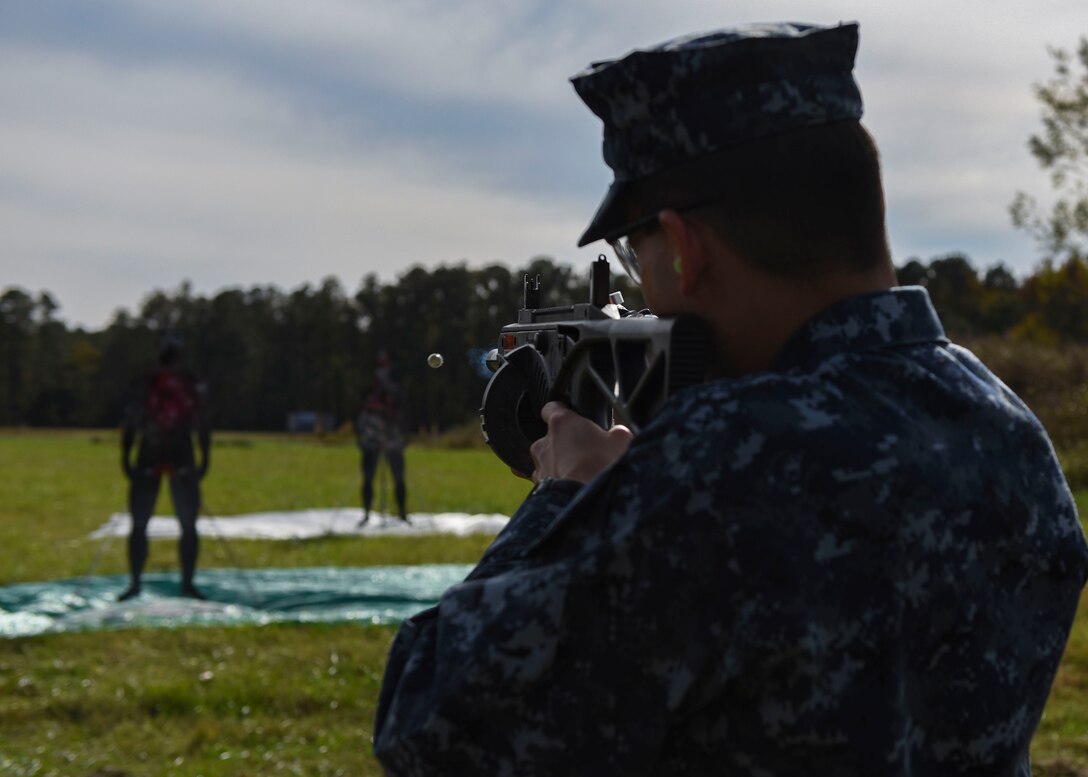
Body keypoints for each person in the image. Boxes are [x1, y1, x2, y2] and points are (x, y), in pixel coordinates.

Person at [373, 23, 1088, 775]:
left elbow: (428, 727)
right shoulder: (1008, 430)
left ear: (683, 246)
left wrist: (564, 497)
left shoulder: (720, 459)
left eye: (633, 250)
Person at [118, 337, 211, 601]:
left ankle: (138, 583)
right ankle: (184, 583)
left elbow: (131, 422)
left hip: (153, 455)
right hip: (177, 456)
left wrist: (126, 458)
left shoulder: (152, 383)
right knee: (185, 525)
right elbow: (202, 424)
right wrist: (204, 458)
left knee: (142, 524)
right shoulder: (185, 383)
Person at [356, 352, 409, 525]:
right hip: (371, 436)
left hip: (392, 436)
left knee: (398, 476)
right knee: (368, 476)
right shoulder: (368, 388)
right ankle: (366, 513)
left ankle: (402, 513)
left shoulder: (394, 388)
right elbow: (361, 409)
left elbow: (401, 407)